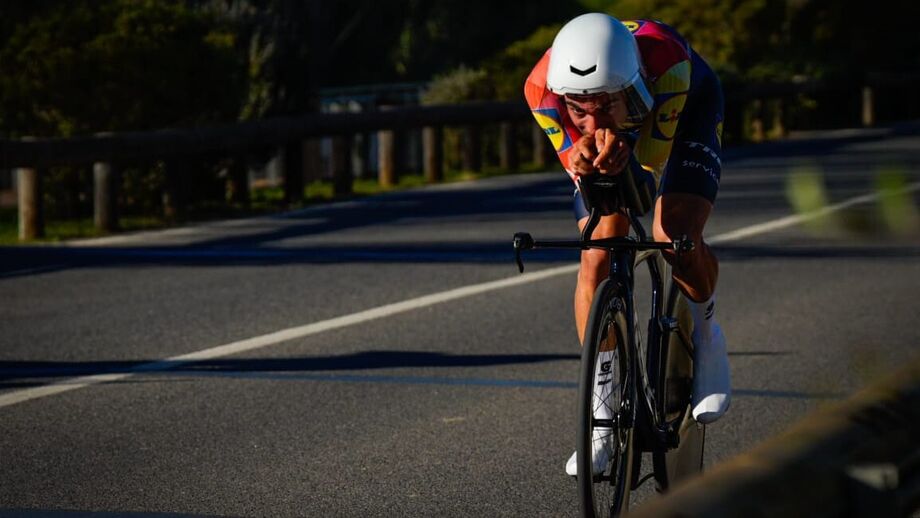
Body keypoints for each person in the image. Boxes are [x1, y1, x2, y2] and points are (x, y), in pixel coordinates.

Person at [524, 13, 731, 477]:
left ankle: (708, 337)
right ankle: (600, 408)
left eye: (604, 105)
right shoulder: (540, 88)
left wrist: (623, 155)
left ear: (630, 87)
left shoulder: (669, 65)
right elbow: (587, 173)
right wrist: (581, 161)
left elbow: (648, 179)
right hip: (628, 114)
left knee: (674, 235)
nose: (592, 120)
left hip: (684, 109)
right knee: (597, 252)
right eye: (578, 108)